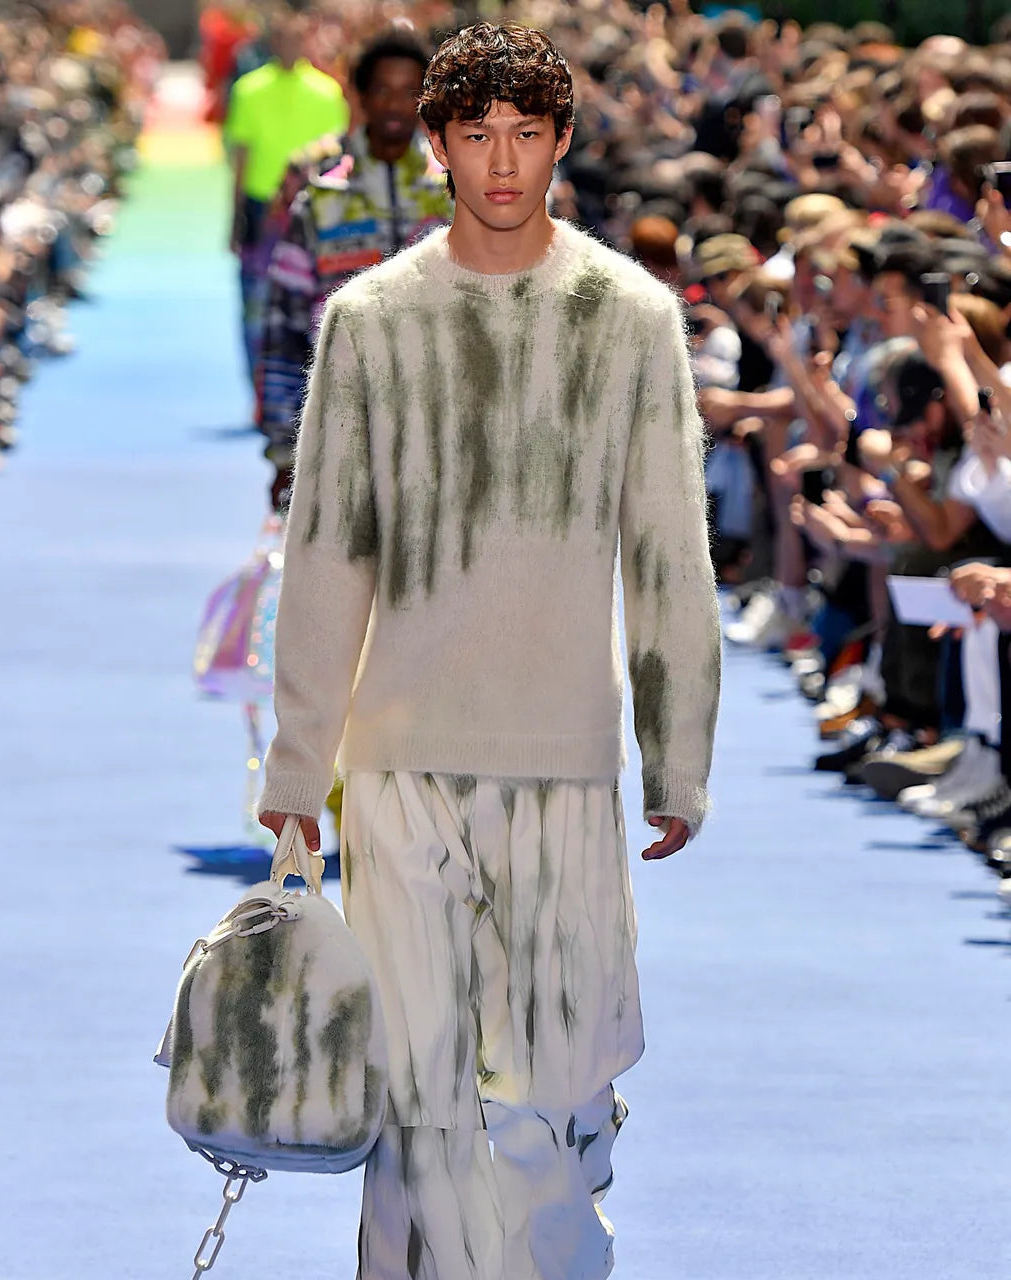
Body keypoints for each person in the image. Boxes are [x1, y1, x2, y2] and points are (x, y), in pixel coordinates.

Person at [257, 20, 720, 1278]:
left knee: (552, 1089)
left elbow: (669, 550)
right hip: (398, 760)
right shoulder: (370, 321)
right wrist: (297, 769)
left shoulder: (630, 317)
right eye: (477, 135)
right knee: (416, 1090)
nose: (503, 162)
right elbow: (328, 554)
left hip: (563, 757)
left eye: (526, 134)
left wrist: (676, 754)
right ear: (439, 146)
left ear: (562, 141)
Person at [259, 27, 452, 508]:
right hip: (342, 421)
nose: (395, 105)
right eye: (383, 91)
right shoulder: (322, 197)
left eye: (408, 92)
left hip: (441, 423)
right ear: (361, 97)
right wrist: (283, 446)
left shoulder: (455, 192)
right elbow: (283, 323)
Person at [224, 9, 350, 380]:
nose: (289, 45)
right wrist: (234, 218)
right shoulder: (248, 89)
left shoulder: (328, 91)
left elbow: (339, 154)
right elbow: (241, 157)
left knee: (311, 301)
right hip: (261, 208)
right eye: (282, 37)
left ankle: (308, 387)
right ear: (272, 40)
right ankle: (259, 390)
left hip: (315, 208)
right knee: (255, 304)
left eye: (296, 37)